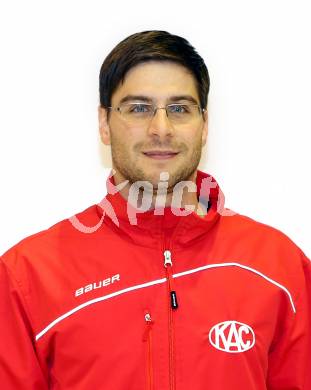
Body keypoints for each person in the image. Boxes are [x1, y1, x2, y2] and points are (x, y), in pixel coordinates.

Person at [0, 30, 310, 390]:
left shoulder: (278, 267)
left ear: (204, 124)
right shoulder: (28, 277)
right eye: (138, 108)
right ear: (104, 123)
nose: (160, 128)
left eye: (179, 109)